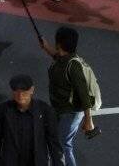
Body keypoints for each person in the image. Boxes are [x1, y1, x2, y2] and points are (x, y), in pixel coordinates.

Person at [40, 27, 97, 166]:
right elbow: (58, 57)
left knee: (63, 144)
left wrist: (88, 121)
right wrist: (46, 47)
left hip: (70, 112)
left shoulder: (74, 67)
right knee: (55, 141)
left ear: (58, 44)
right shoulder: (66, 58)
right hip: (60, 108)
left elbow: (84, 96)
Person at [0, 74, 65, 165]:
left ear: (32, 90)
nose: (20, 95)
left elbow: (54, 143)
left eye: (24, 91)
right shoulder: (1, 111)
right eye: (16, 91)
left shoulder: (45, 111)